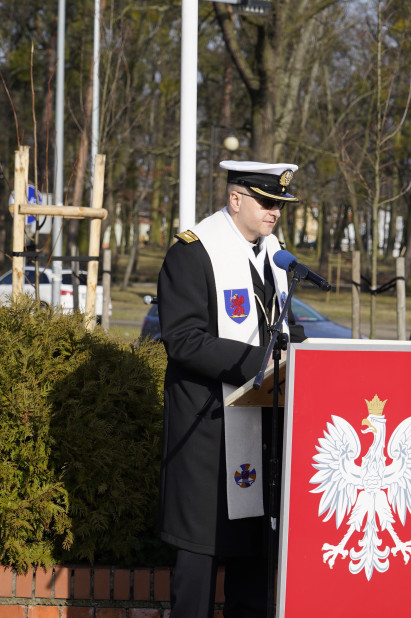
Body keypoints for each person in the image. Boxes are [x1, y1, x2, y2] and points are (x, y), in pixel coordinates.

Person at [157, 160, 305, 618]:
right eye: (266, 201)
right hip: (208, 427)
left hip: (261, 427)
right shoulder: (194, 252)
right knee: (201, 553)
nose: (275, 211)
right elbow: (183, 338)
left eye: (280, 203)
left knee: (253, 553)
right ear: (235, 198)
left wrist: (301, 356)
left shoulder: (274, 258)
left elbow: (283, 327)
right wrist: (258, 365)